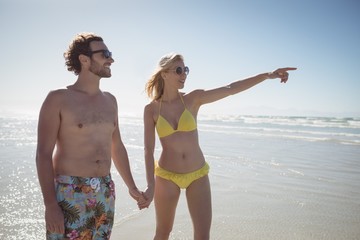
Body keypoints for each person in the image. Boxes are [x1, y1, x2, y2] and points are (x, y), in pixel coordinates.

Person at [141, 52, 296, 240]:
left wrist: (267, 75)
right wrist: (150, 185)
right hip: (166, 176)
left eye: (186, 70)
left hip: (197, 174)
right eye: (179, 70)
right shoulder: (151, 109)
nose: (184, 75)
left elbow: (231, 88)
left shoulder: (193, 99)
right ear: (164, 74)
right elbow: (148, 150)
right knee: (163, 232)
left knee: (202, 234)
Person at [36, 32, 145, 240]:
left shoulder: (111, 101)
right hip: (70, 192)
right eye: (105, 54)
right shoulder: (58, 99)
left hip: (104, 191)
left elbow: (117, 147)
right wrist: (50, 205)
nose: (111, 59)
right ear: (84, 59)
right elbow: (43, 154)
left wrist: (132, 187)